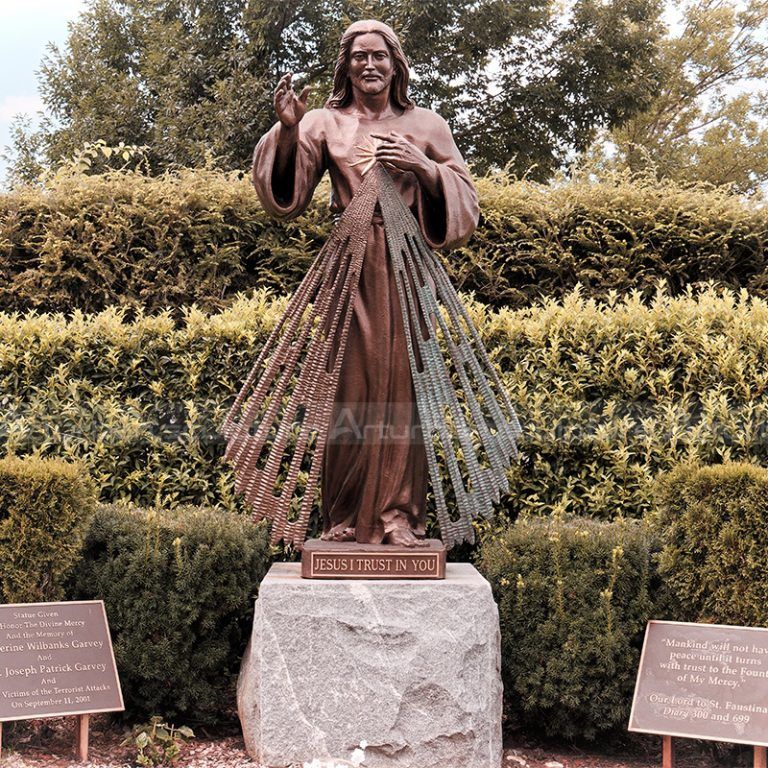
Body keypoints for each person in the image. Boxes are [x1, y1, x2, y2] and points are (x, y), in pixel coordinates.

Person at [249, 19, 481, 547]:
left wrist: (424, 168)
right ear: (346, 67)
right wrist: (289, 130)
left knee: (401, 390)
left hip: (404, 267)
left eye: (379, 56)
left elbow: (466, 203)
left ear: (396, 65)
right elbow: (286, 197)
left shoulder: (427, 125)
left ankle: (398, 517)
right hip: (347, 268)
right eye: (359, 57)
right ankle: (346, 516)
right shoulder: (323, 122)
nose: (370, 65)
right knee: (348, 390)